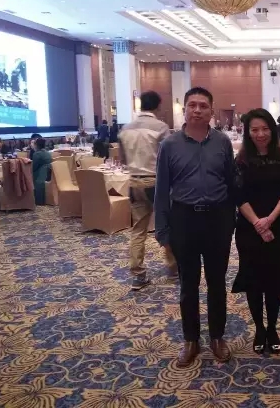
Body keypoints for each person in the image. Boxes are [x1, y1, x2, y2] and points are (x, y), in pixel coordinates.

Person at [155, 86, 235, 366]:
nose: (197, 110)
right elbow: (161, 190)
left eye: (203, 106)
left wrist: (230, 221)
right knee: (188, 284)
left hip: (217, 220)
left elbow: (231, 183)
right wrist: (162, 230)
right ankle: (191, 339)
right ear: (185, 109)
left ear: (211, 110)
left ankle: (217, 337)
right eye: (192, 105)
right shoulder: (169, 145)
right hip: (184, 219)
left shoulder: (222, 142)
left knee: (217, 283)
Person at [232, 109, 280, 355]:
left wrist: (269, 220)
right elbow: (238, 195)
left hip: (276, 225)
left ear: (272, 129)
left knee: (273, 279)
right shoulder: (241, 159)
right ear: (248, 132)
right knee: (254, 281)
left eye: (265, 129)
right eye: (255, 129)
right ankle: (259, 328)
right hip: (248, 228)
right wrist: (258, 223)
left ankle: (273, 328)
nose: (260, 134)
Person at [119, 91, 176, 290]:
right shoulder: (160, 127)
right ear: (158, 106)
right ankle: (173, 268)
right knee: (169, 225)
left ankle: (138, 275)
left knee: (138, 230)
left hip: (134, 183)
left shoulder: (125, 129)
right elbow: (170, 158)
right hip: (156, 183)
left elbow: (122, 160)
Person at [31, 137, 52, 205]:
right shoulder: (47, 152)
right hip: (48, 173)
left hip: (41, 175)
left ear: (36, 145)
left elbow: (33, 167)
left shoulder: (37, 154)